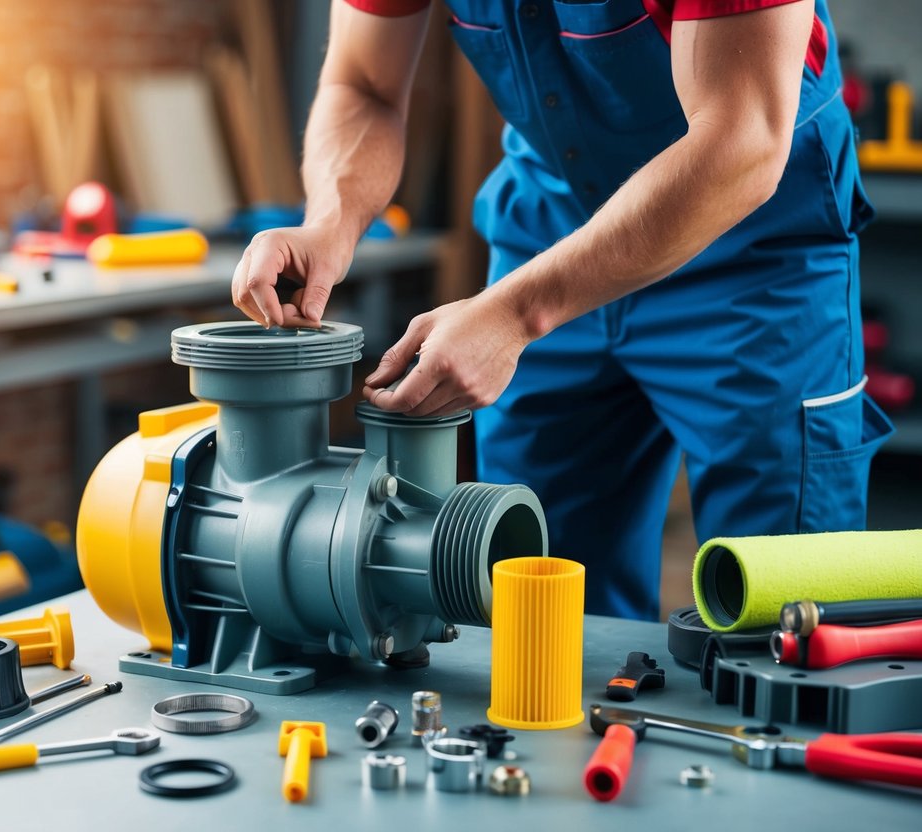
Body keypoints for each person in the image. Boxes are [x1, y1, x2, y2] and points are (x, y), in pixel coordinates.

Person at [230, 0, 893, 620]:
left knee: (782, 609)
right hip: (549, 226)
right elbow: (362, 84)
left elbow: (743, 139)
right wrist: (330, 223)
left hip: (749, 252)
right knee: (539, 594)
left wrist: (515, 315)